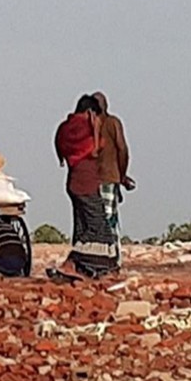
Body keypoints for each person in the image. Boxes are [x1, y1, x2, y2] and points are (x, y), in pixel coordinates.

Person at [50, 94, 119, 280]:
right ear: (90, 112)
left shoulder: (65, 128)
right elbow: (95, 151)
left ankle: (90, 270)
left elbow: (61, 153)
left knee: (83, 227)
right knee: (98, 228)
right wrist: (96, 131)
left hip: (73, 182)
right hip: (86, 183)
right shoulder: (85, 127)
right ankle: (73, 263)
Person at [92, 91, 135, 263]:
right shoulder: (111, 123)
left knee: (101, 219)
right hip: (110, 177)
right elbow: (122, 149)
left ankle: (105, 257)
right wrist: (122, 175)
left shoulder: (98, 124)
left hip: (100, 178)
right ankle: (111, 257)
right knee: (109, 219)